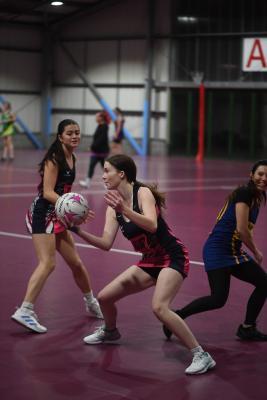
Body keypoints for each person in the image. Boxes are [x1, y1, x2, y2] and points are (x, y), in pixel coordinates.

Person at [72, 154, 216, 375]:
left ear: (122, 174)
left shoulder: (142, 193)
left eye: (107, 170)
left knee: (159, 307)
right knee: (104, 297)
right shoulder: (114, 207)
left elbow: (151, 224)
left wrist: (125, 210)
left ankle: (201, 355)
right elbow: (105, 244)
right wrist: (77, 230)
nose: (103, 176)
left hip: (172, 256)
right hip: (150, 261)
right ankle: (110, 332)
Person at [11, 119, 103, 334]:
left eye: (77, 133)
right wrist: (71, 207)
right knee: (48, 263)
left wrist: (75, 211)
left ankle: (91, 302)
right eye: (69, 133)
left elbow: (65, 192)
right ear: (60, 136)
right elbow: (48, 192)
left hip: (58, 215)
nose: (74, 136)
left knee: (76, 263)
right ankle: (25, 310)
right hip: (43, 213)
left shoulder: (73, 156)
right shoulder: (54, 159)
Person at [163, 159, 267, 341]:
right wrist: (256, 251)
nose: (264, 178)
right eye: (260, 174)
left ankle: (247, 328)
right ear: (251, 175)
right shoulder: (244, 193)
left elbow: (237, 227)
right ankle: (176, 317)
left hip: (232, 250)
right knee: (218, 299)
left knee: (264, 283)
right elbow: (242, 230)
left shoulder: (256, 198)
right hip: (218, 251)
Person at [79, 111, 110, 188]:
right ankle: (87, 183)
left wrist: (92, 147)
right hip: (96, 151)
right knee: (91, 166)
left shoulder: (104, 126)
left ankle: (107, 183)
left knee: (105, 168)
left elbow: (101, 139)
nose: (95, 118)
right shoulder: (99, 126)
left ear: (101, 118)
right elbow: (96, 138)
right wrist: (93, 147)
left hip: (102, 152)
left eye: (97, 117)